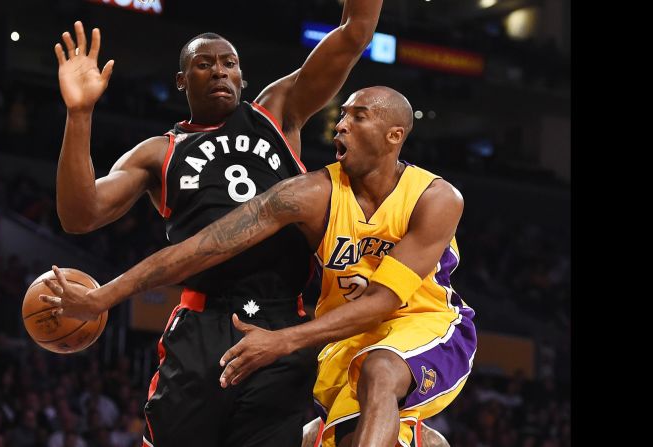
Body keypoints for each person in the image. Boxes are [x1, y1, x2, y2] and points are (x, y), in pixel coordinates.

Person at [42, 86, 475, 447]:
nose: (340, 125)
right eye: (340, 116)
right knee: (332, 436)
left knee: (382, 370)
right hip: (344, 337)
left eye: (358, 117)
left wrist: (283, 341)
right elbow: (203, 247)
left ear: (394, 135)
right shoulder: (310, 193)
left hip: (425, 324)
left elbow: (383, 302)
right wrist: (104, 296)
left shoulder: (436, 198)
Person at [50, 2, 383, 445]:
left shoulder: (277, 112)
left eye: (230, 63)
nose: (220, 71)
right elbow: (80, 214)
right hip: (202, 322)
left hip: (281, 319)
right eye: (204, 64)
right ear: (182, 81)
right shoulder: (158, 152)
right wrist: (79, 114)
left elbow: (354, 31)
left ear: (243, 78)